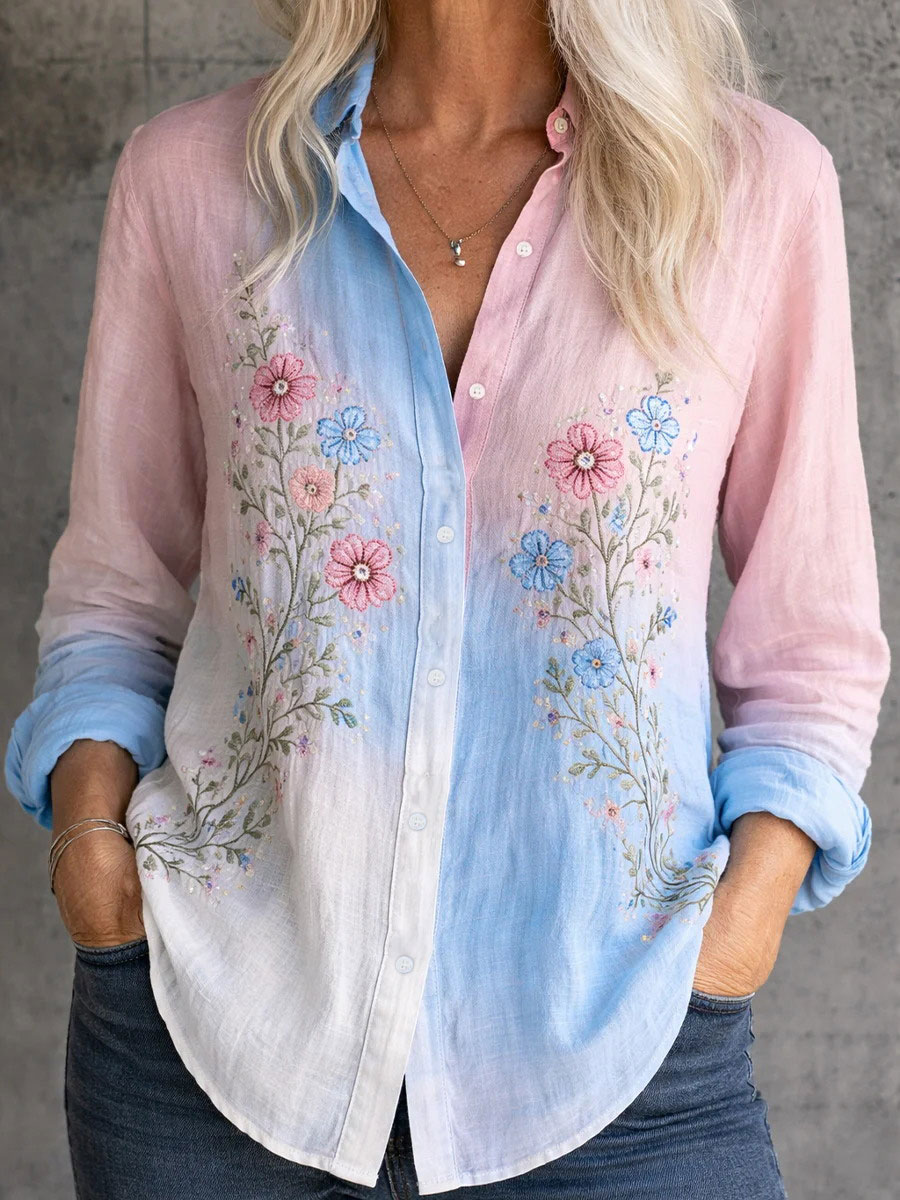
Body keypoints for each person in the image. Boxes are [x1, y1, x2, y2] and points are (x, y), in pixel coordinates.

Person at [5, 0, 890, 1197]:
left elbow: (812, 652)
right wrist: (92, 857)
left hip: (620, 1065)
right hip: (210, 1054)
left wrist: (736, 934)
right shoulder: (193, 180)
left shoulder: (748, 186)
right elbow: (115, 600)